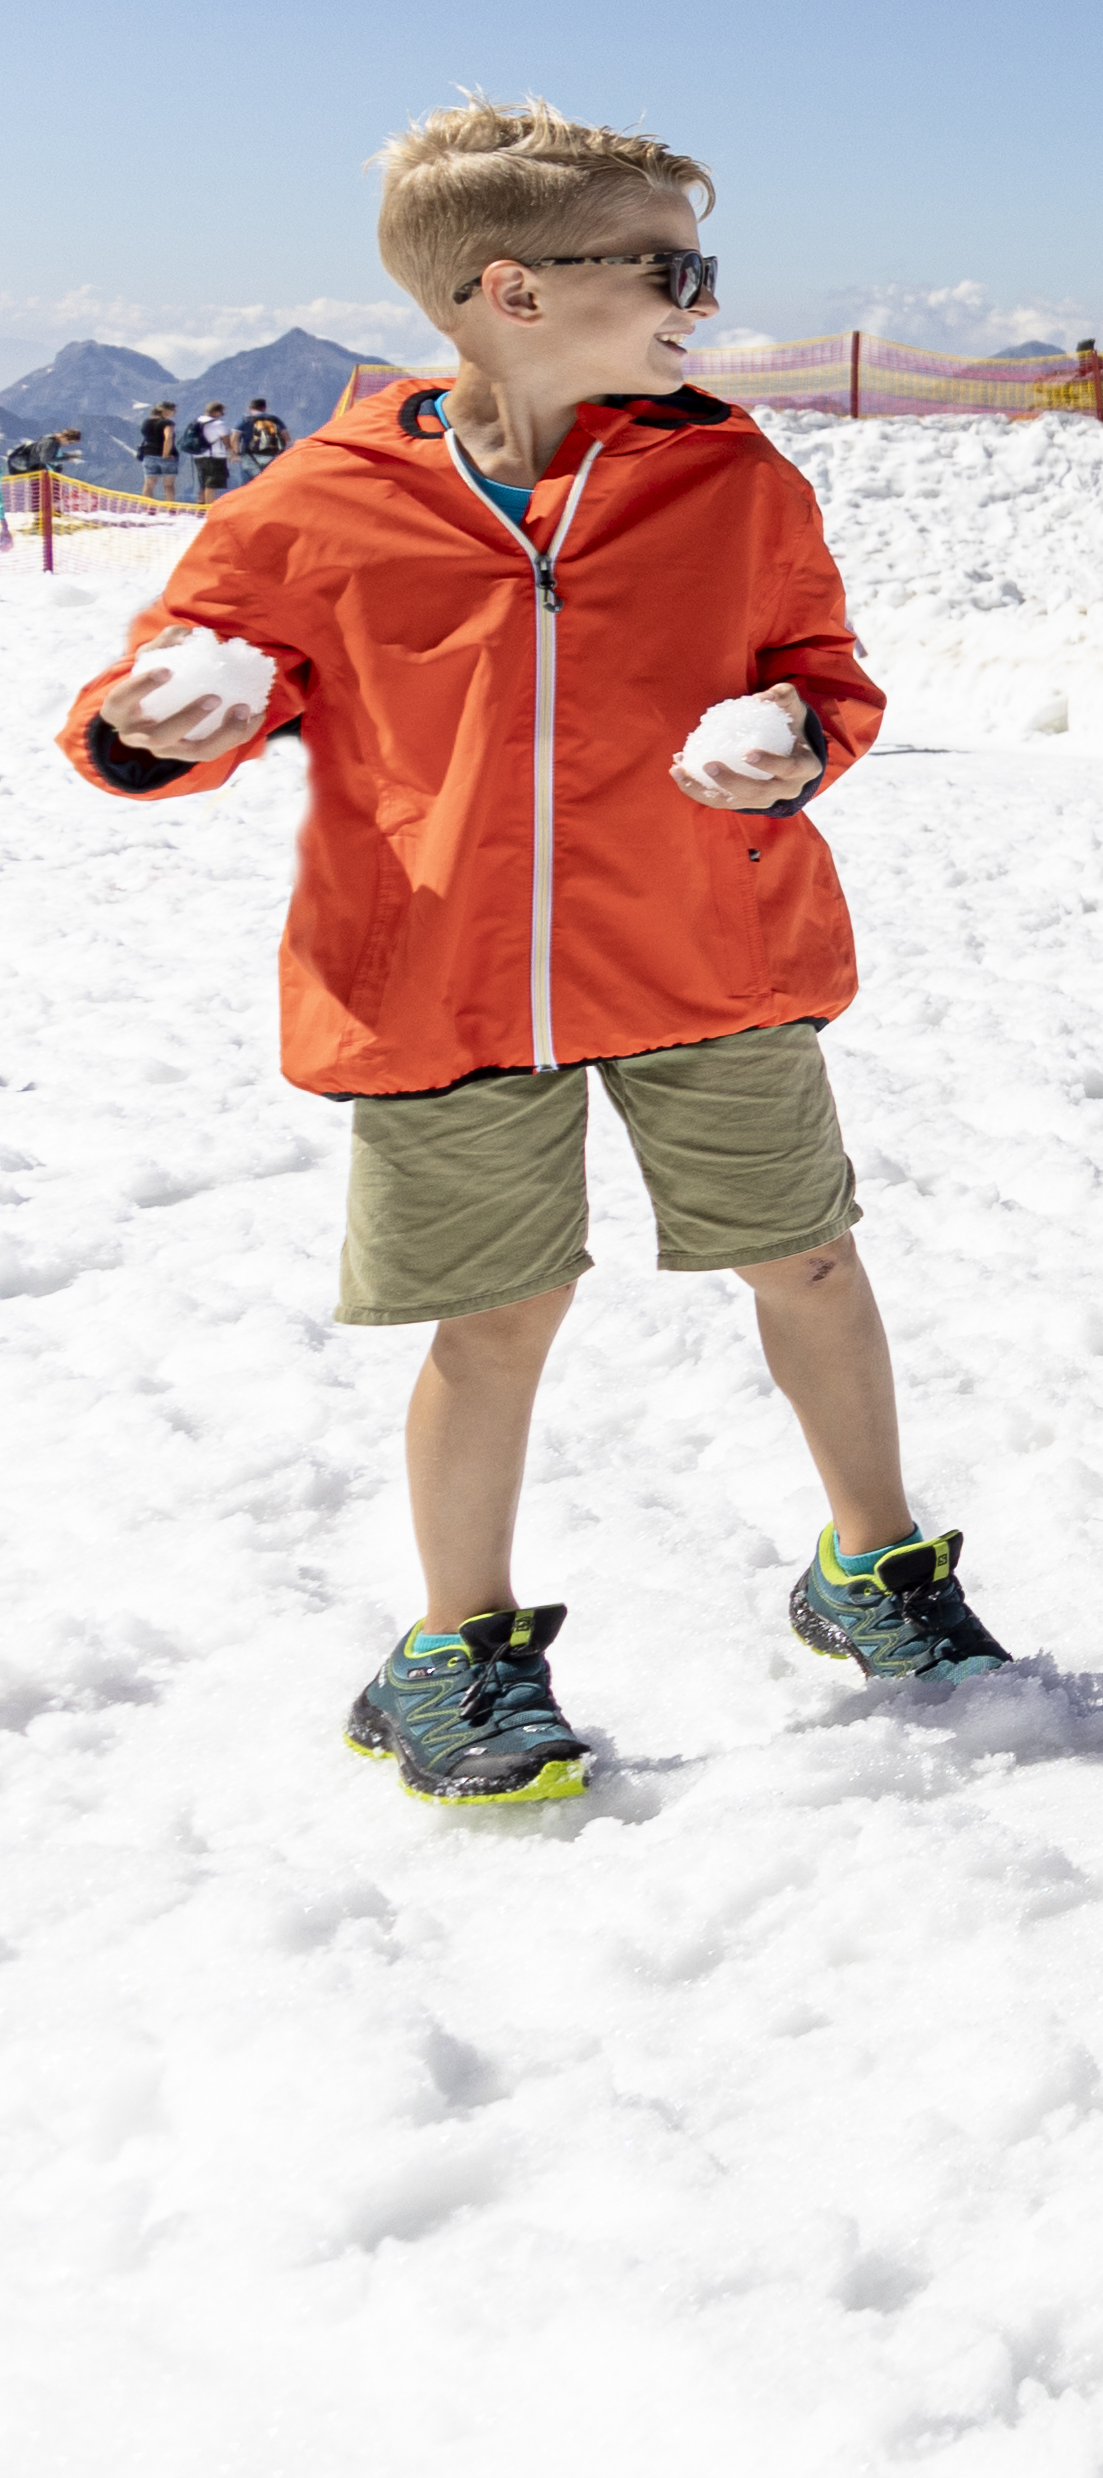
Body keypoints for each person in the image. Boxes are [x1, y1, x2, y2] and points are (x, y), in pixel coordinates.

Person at [57, 101, 1007, 1807]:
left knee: (804, 1259)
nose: (699, 301)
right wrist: (156, 720)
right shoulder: (325, 500)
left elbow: (828, 670)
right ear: (514, 288)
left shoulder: (729, 474)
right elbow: (187, 692)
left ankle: (876, 1568)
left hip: (712, 952)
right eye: (670, 266)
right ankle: (455, 1650)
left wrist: (792, 727)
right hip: (441, 982)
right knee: (500, 1315)